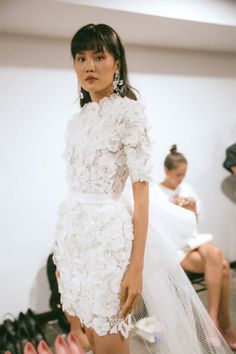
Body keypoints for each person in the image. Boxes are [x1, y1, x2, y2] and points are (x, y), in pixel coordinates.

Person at [52, 24, 232, 354]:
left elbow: (141, 195)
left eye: (98, 56)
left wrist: (137, 268)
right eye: (80, 58)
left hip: (109, 241)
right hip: (74, 241)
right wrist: (64, 254)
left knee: (110, 339)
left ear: (116, 63)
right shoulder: (78, 120)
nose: (88, 66)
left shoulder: (128, 113)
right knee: (89, 335)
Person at [157, 144, 236, 350]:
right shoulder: (157, 193)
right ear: (166, 171)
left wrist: (191, 210)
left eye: (184, 174)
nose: (181, 179)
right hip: (175, 247)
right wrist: (174, 211)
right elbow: (162, 230)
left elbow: (195, 223)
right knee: (224, 268)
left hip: (193, 240)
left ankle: (212, 322)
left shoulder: (187, 189)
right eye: (177, 175)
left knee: (215, 253)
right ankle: (223, 328)